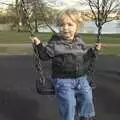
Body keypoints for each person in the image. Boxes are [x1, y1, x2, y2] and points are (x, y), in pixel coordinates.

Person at [31, 8, 101, 120]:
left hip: (81, 78)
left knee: (87, 97)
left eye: (70, 24)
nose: (66, 28)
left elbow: (84, 57)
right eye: (62, 25)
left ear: (77, 27)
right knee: (69, 103)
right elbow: (44, 56)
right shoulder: (55, 43)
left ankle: (86, 117)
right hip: (63, 80)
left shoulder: (79, 42)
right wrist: (39, 45)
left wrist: (93, 51)